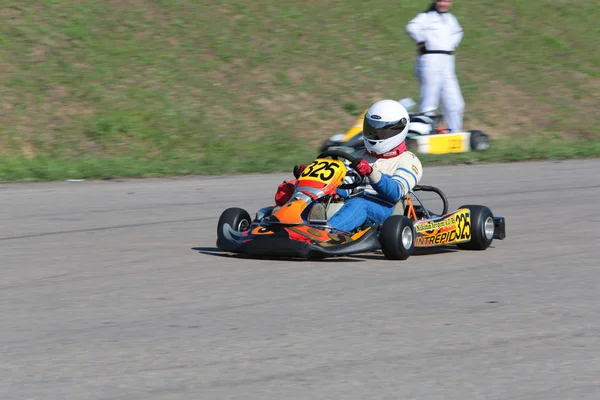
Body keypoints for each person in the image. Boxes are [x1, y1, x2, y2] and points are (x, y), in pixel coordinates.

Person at [274, 99, 423, 233]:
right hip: (351, 203)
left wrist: (371, 173)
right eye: (372, 129)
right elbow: (346, 186)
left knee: (359, 203)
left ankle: (326, 233)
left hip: (386, 211)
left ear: (397, 130)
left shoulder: (409, 161)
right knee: (315, 198)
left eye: (380, 131)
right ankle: (286, 226)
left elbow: (395, 192)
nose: (374, 135)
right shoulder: (359, 155)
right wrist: (313, 182)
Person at [406, 0, 465, 133]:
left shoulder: (451, 19)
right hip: (430, 58)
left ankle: (454, 133)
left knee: (455, 102)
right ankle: (422, 133)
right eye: (441, 1)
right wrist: (422, 41)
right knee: (429, 100)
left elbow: (458, 33)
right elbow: (411, 27)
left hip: (448, 60)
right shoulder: (426, 17)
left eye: (447, 1)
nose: (444, 4)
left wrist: (451, 45)